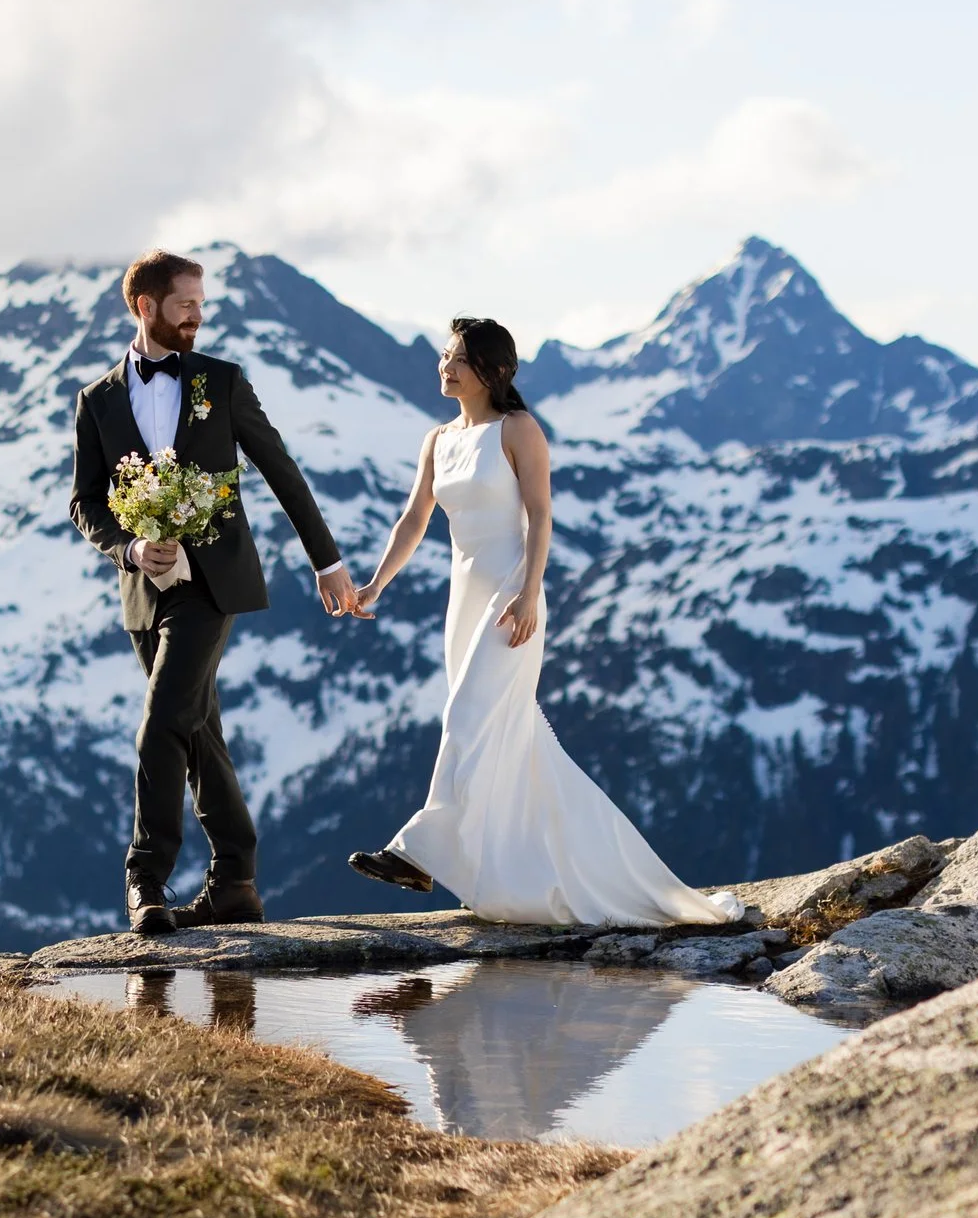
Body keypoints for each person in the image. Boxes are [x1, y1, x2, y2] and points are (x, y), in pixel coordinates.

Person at [345, 318, 744, 927]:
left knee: (467, 717)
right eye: (444, 357)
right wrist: (376, 583)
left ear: (492, 370)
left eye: (457, 359)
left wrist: (531, 591)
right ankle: (549, 870)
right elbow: (413, 519)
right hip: (464, 601)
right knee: (516, 742)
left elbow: (539, 514)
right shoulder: (438, 439)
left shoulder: (519, 429)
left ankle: (418, 853)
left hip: (511, 594)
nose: (444, 367)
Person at [69, 249, 357, 936]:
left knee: (163, 718)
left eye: (202, 302)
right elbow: (86, 503)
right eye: (187, 303)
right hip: (145, 591)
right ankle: (236, 880)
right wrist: (132, 547)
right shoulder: (98, 401)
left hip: (213, 586)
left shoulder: (220, 383)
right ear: (146, 306)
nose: (200, 315)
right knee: (199, 732)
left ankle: (144, 877)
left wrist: (327, 562)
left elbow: (279, 469)